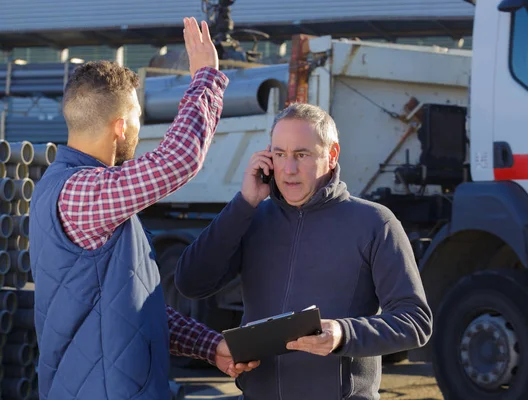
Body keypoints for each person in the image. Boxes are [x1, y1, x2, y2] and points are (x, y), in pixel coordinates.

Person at [29, 17, 258, 400]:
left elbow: (133, 308)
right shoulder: (80, 192)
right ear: (120, 127)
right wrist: (206, 78)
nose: (140, 124)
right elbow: (179, 158)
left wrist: (209, 345)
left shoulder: (77, 191)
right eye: (138, 117)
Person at [174, 103, 433, 399]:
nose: (288, 169)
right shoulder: (251, 217)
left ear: (332, 155)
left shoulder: (375, 223)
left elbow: (415, 322)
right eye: (279, 154)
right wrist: (243, 203)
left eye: (302, 154)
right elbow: (190, 284)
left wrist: (342, 334)